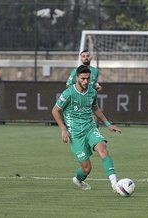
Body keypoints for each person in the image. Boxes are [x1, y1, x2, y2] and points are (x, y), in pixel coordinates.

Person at [52, 65, 121, 193]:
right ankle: (78, 179)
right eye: (83, 78)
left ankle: (114, 184)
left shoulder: (92, 92)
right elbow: (55, 111)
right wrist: (63, 129)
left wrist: (107, 124)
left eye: (88, 79)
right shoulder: (69, 93)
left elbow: (95, 108)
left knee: (102, 148)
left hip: (90, 128)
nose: (86, 81)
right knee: (86, 169)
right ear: (77, 77)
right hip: (76, 134)